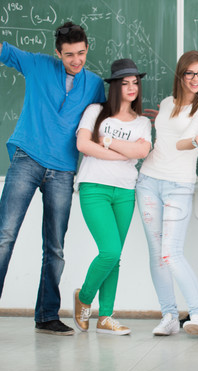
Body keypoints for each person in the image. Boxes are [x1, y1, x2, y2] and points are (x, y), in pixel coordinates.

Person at [0, 22, 105, 335]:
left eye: (82, 53)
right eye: (69, 54)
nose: (76, 60)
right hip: (27, 158)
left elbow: (104, 121)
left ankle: (46, 315)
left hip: (63, 169)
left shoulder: (95, 83)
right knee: (4, 235)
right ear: (58, 53)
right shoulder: (36, 64)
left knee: (55, 246)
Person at [136, 51, 198, 337]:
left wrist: (195, 140)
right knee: (157, 254)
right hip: (148, 181)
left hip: (178, 185)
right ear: (180, 75)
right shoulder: (167, 103)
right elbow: (164, 137)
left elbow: (182, 143)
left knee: (171, 252)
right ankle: (168, 315)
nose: (196, 79)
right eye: (190, 73)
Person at [71, 59, 151, 335]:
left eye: (135, 82)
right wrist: (123, 151)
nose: (131, 87)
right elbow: (83, 144)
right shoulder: (95, 112)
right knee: (110, 251)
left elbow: (141, 153)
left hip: (125, 192)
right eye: (125, 83)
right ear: (115, 86)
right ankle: (84, 298)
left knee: (115, 257)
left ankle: (105, 316)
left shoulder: (143, 122)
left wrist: (103, 142)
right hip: (94, 188)